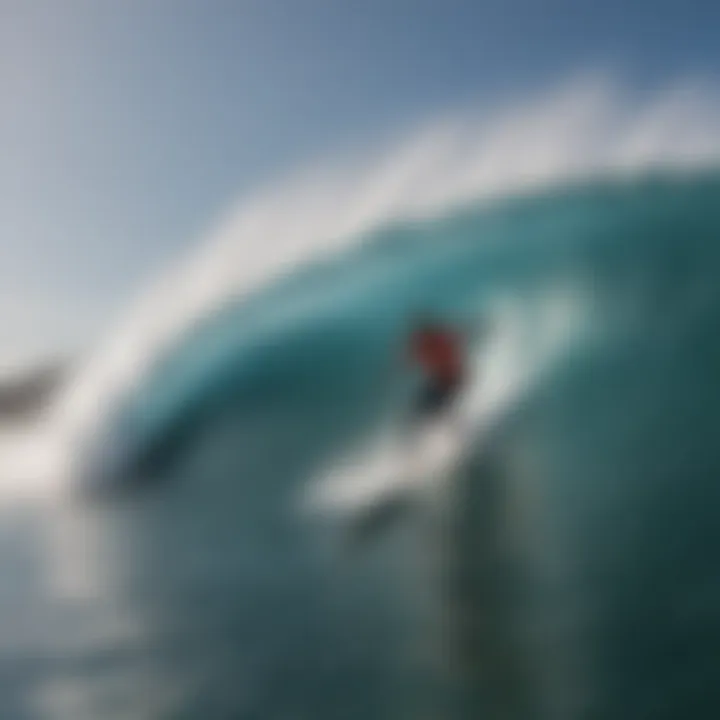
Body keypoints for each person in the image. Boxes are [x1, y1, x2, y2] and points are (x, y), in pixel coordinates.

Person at [406, 314, 468, 427]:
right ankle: (428, 426)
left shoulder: (436, 342)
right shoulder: (430, 343)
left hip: (451, 380)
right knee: (420, 404)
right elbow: (413, 358)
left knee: (437, 404)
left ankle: (453, 426)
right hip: (442, 380)